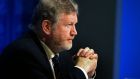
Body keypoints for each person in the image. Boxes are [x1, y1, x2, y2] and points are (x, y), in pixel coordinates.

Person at [0, 0, 98, 79]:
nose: (74, 32)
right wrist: (81, 69)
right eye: (69, 25)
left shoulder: (62, 56)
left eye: (74, 25)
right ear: (47, 27)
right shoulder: (22, 53)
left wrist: (88, 73)